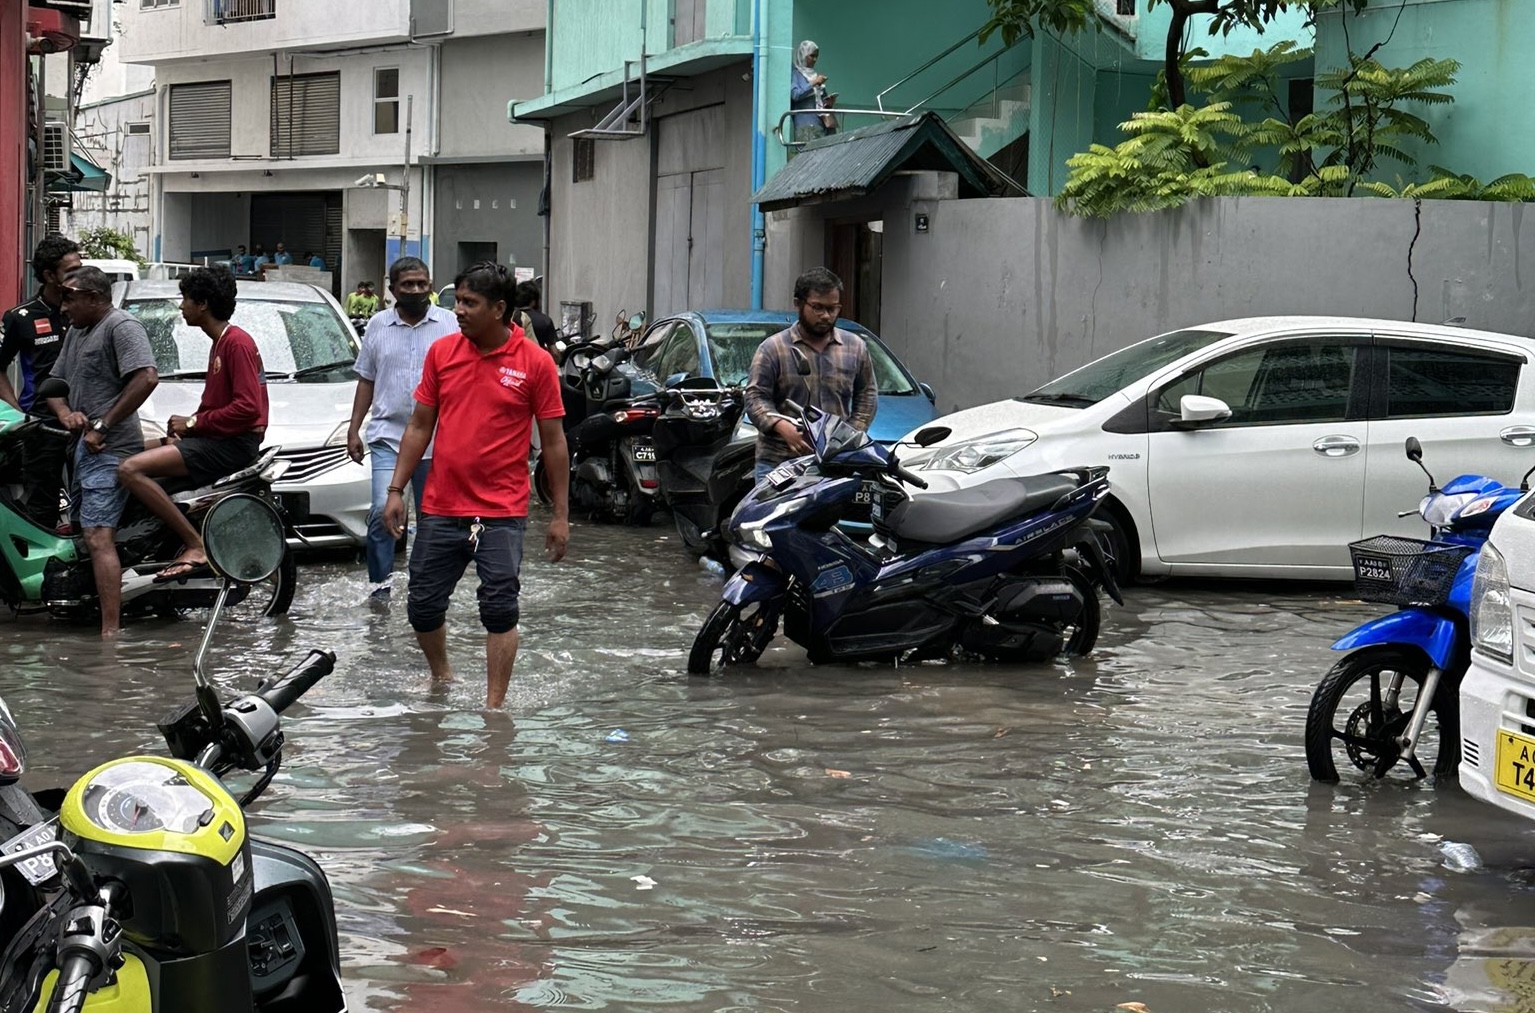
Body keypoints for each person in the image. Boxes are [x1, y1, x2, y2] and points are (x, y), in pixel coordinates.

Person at [381, 262, 569, 709]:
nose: (458, 310)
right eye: (458, 301)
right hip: (441, 505)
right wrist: (396, 490)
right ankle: (441, 675)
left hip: (502, 510)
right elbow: (419, 425)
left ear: (499, 309)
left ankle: (494, 709)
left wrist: (560, 516)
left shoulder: (536, 363)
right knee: (422, 606)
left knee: (500, 609)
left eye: (469, 302)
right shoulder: (443, 353)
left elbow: (554, 442)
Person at [116, 264, 269, 582]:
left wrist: (193, 423)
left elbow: (248, 408)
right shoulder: (221, 341)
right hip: (214, 439)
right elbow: (218, 405)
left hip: (230, 445)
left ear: (203, 304)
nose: (181, 306)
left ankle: (195, 544)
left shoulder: (236, 343)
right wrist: (187, 429)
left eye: (185, 299)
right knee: (126, 451)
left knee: (130, 470)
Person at [45, 266, 158, 637]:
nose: (63, 307)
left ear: (94, 298)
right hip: (82, 448)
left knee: (97, 536)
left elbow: (146, 377)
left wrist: (103, 425)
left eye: (70, 298)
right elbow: (54, 384)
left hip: (111, 447)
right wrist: (66, 413)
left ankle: (110, 634)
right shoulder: (78, 332)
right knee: (82, 531)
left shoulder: (121, 326)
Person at [345, 256, 458, 599]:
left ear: (430, 285)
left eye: (422, 283)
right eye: (407, 285)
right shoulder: (378, 325)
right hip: (388, 437)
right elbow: (366, 379)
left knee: (431, 520)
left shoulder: (450, 324)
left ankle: (424, 589)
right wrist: (354, 429)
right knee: (382, 511)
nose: (415, 290)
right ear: (392, 289)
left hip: (436, 440)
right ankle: (379, 589)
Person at [744, 267, 875, 485]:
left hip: (834, 465)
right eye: (818, 307)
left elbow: (867, 395)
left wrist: (849, 435)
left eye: (833, 308)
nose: (826, 315)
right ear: (798, 303)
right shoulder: (773, 348)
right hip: (778, 463)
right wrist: (780, 425)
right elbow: (755, 397)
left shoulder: (855, 347)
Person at [0, 234, 82, 412]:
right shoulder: (20, 317)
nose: (79, 277)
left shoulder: (87, 311)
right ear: (49, 276)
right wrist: (17, 413)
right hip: (40, 420)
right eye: (71, 272)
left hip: (84, 417)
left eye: (80, 269)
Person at [790, 40, 836, 150]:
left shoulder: (814, 75)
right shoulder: (796, 75)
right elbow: (795, 95)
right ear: (803, 55)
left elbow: (820, 100)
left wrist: (828, 103)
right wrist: (814, 83)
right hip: (805, 125)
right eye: (812, 56)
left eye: (816, 56)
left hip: (821, 124)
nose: (814, 59)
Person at [513, 281, 557, 354]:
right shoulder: (545, 320)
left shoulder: (508, 318)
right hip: (536, 358)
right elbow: (554, 352)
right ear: (533, 301)